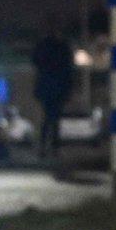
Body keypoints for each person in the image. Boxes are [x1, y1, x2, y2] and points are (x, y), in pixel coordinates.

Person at [30, 27, 74, 157]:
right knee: (54, 119)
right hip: (58, 87)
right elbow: (68, 68)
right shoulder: (62, 47)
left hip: (48, 87)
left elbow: (36, 62)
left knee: (48, 118)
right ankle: (53, 147)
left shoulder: (43, 46)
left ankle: (45, 147)